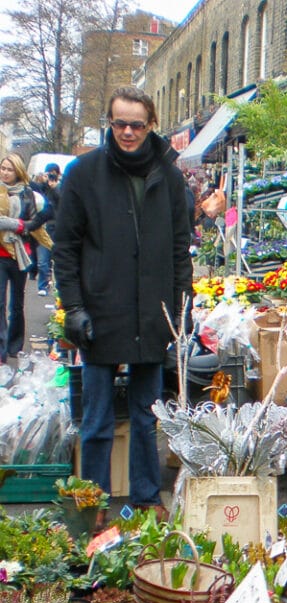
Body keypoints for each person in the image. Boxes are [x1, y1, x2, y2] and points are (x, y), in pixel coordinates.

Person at [52, 86, 193, 513]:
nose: (127, 132)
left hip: (151, 313)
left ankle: (147, 500)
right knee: (96, 420)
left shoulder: (167, 175)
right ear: (109, 123)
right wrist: (73, 307)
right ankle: (90, 505)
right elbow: (65, 247)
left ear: (150, 124)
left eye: (136, 124)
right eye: (119, 124)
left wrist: (181, 311)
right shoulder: (84, 172)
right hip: (101, 310)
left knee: (147, 417)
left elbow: (179, 247)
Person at [0, 154, 46, 364]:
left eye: (9, 169)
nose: (5, 172)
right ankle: (1, 348)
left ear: (17, 171)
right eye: (3, 168)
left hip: (20, 255)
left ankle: (14, 345)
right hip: (0, 255)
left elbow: (35, 223)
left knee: (17, 304)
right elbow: (22, 224)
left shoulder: (29, 194)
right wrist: (19, 225)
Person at [32, 163, 61, 295]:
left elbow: (63, 202)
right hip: (45, 226)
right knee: (43, 261)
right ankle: (43, 286)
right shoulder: (42, 187)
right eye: (48, 173)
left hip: (59, 227)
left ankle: (58, 288)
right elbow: (37, 198)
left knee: (59, 260)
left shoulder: (61, 187)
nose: (51, 176)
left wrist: (55, 187)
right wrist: (43, 184)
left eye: (53, 173)